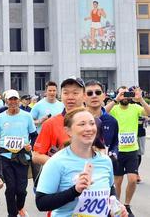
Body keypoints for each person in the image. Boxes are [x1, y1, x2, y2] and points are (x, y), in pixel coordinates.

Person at [36, 107, 127, 217]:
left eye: (92, 123)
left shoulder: (105, 160)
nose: (89, 128)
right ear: (68, 131)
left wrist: (116, 206)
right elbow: (41, 203)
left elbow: (110, 189)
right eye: (82, 124)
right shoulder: (56, 162)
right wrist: (75, 190)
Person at [104, 86, 150, 217]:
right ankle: (116, 206)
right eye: (122, 94)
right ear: (119, 95)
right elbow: (102, 113)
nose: (125, 97)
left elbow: (148, 112)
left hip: (132, 150)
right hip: (117, 151)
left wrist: (141, 99)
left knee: (132, 179)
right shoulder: (114, 108)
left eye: (127, 94)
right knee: (117, 182)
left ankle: (127, 205)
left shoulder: (135, 108)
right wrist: (115, 100)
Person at [0, 89, 36, 217]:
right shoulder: (0, 118)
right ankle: (12, 214)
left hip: (22, 156)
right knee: (11, 188)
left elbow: (34, 135)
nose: (13, 102)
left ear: (19, 100)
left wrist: (30, 146)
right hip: (5, 156)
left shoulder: (27, 116)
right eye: (10, 99)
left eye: (15, 99)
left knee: (21, 190)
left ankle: (19, 208)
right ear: (6, 101)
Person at [32, 77, 86, 167]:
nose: (70, 97)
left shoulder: (93, 123)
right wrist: (60, 163)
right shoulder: (50, 124)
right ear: (61, 95)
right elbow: (36, 155)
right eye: (66, 93)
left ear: (84, 95)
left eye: (75, 93)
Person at [84, 80, 119, 159]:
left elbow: (115, 144)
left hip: (105, 167)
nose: (94, 96)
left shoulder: (112, 121)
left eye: (98, 92)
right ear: (83, 97)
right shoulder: (76, 120)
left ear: (103, 96)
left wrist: (113, 154)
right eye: (89, 93)